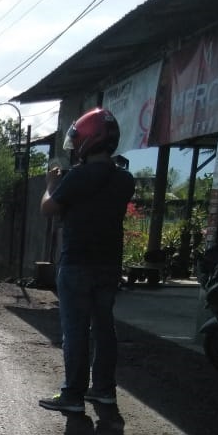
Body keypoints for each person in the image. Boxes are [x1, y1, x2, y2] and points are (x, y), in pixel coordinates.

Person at [38, 107, 135, 414]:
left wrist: (50, 185)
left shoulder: (78, 177)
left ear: (88, 140)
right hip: (109, 265)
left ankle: (73, 395)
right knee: (104, 327)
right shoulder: (125, 180)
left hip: (77, 263)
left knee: (76, 331)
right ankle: (104, 390)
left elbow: (48, 209)